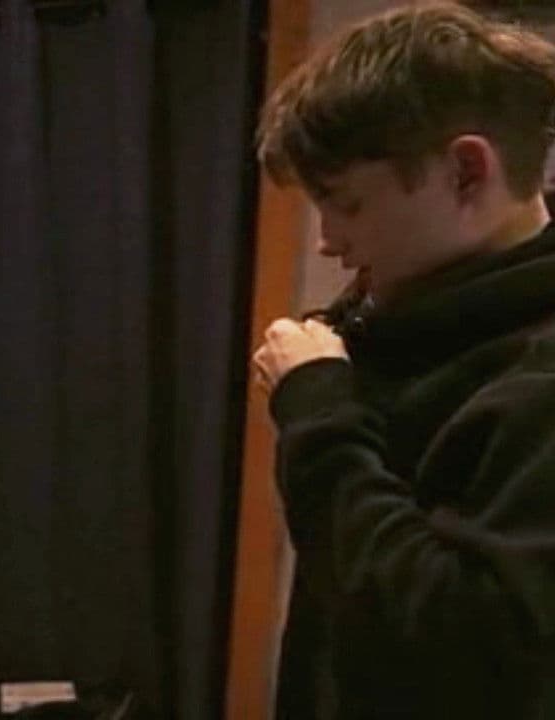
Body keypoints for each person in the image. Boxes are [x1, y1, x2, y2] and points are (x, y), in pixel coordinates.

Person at [252, 3, 555, 718]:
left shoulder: (540, 374)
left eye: (347, 204)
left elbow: (455, 652)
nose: (326, 240)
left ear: (466, 172)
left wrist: (320, 417)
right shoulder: (414, 323)